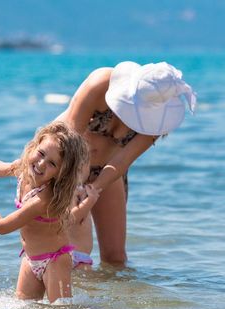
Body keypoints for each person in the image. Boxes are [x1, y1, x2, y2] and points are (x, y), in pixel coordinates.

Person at [56, 61, 196, 266]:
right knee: (64, 252)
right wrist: (76, 187)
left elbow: (122, 161)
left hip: (109, 171)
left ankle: (110, 298)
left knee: (116, 258)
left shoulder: (159, 117)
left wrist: (93, 190)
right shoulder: (100, 83)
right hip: (62, 162)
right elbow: (70, 138)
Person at [0, 121, 95, 303]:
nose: (41, 164)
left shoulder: (43, 199)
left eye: (51, 163)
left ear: (60, 173)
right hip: (31, 258)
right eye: (41, 153)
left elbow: (1, 226)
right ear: (34, 147)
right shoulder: (23, 168)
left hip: (54, 261)